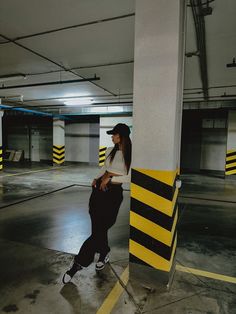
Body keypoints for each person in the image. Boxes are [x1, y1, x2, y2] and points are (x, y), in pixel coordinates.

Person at [62, 123, 132, 284]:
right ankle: (104, 252)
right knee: (97, 228)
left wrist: (111, 177)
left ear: (122, 136)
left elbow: (129, 176)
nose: (112, 137)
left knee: (100, 229)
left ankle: (77, 265)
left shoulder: (130, 154)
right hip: (99, 192)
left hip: (113, 194)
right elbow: (104, 168)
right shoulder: (110, 151)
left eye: (114, 134)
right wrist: (98, 176)